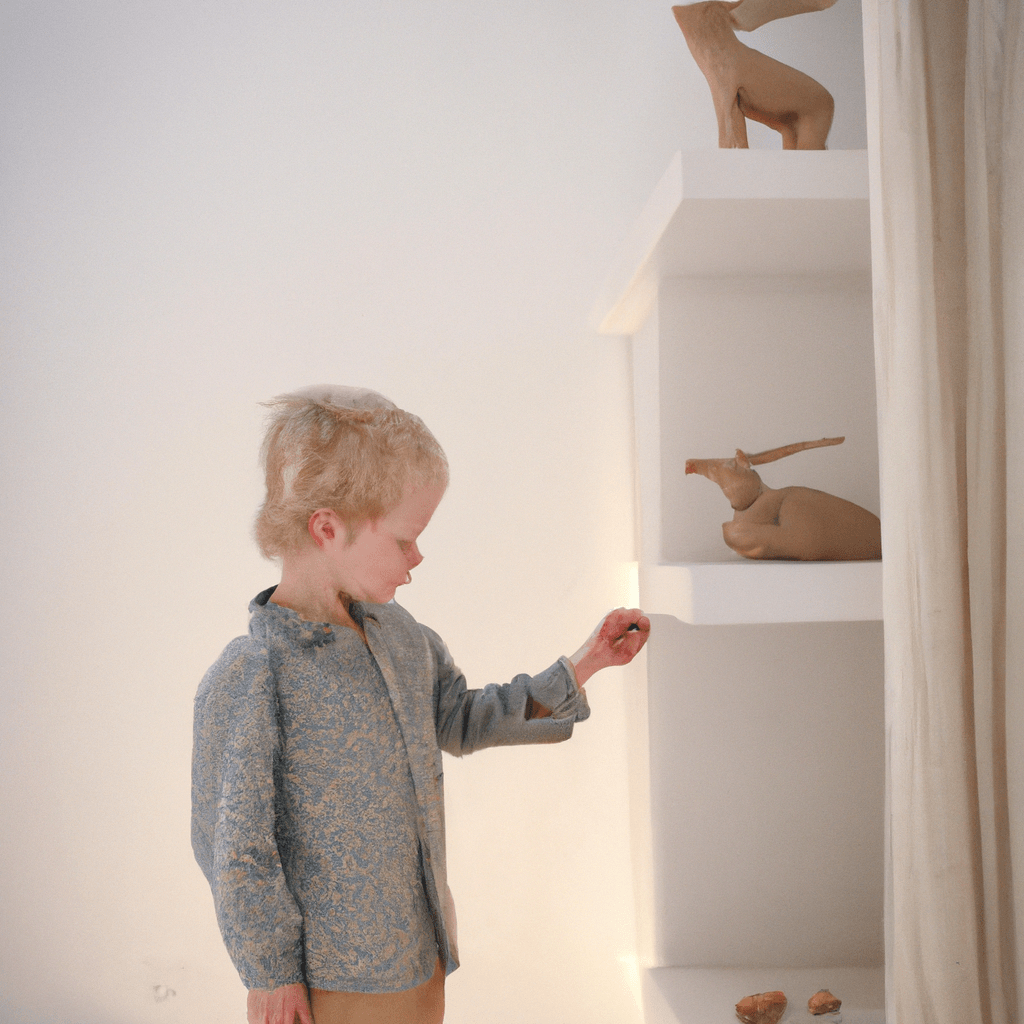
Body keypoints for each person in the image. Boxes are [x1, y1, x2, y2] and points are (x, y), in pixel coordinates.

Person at [191, 386, 650, 1024]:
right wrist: (269, 972)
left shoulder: (402, 637)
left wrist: (586, 663)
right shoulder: (253, 675)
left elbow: (459, 719)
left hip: (420, 948)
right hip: (331, 977)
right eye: (405, 539)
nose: (418, 557)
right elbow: (234, 847)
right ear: (327, 528)